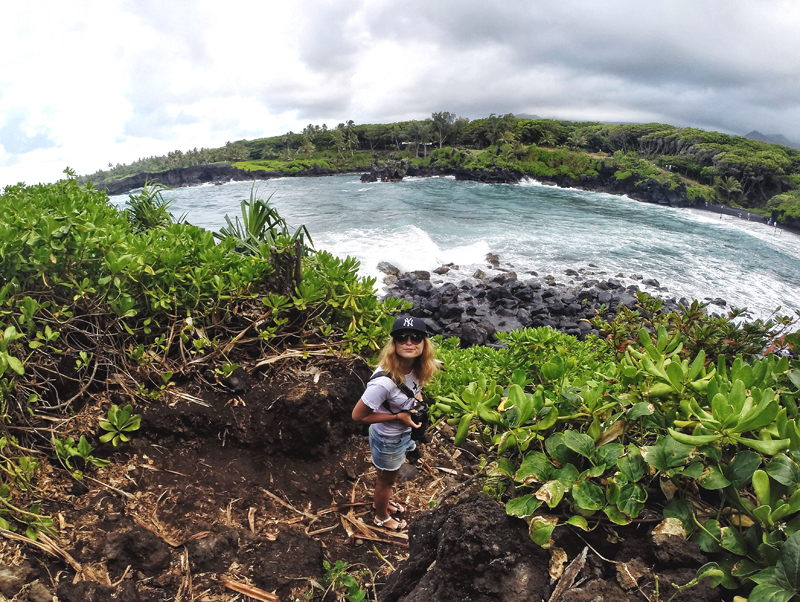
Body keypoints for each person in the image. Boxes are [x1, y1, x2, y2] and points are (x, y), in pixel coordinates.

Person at [352, 316, 438, 531]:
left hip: (401, 434)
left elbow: (414, 390)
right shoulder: (383, 382)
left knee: (385, 477)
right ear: (394, 343)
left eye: (416, 337)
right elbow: (358, 416)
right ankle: (381, 517)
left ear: (424, 343)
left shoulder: (416, 367)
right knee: (386, 482)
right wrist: (398, 417)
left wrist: (416, 404)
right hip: (389, 438)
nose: (409, 342)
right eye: (402, 337)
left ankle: (381, 500)